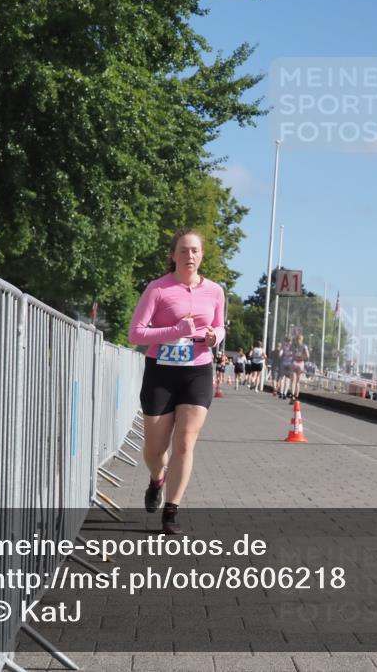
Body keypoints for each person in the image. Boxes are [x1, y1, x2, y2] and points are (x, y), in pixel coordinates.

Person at [128, 229, 225, 535]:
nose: (190, 256)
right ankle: (158, 479)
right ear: (173, 256)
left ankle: (171, 512)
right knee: (155, 449)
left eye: (195, 250)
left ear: (202, 255)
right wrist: (173, 330)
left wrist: (214, 336)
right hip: (162, 370)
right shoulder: (157, 289)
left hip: (197, 369)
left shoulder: (215, 291)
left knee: (184, 442)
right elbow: (136, 333)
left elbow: (220, 326)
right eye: (183, 251)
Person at [290, 334, 310, 402]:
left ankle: (292, 396)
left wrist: (295, 356)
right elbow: (307, 356)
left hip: (294, 363)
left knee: (293, 381)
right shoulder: (304, 346)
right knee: (297, 382)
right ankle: (296, 397)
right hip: (300, 363)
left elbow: (291, 353)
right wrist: (302, 357)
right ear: (302, 339)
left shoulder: (293, 346)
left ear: (296, 339)